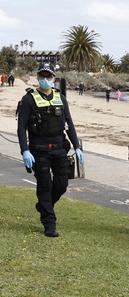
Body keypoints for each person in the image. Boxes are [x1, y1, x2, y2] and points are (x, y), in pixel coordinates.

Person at [16, 63, 84, 237]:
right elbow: (21, 127)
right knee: (45, 186)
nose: (45, 80)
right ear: (38, 77)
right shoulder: (29, 99)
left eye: (49, 77)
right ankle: (49, 224)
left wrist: (77, 147)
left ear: (54, 79)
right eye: (42, 76)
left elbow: (69, 124)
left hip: (60, 149)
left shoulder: (60, 97)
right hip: (39, 151)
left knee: (61, 185)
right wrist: (25, 151)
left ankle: (43, 205)